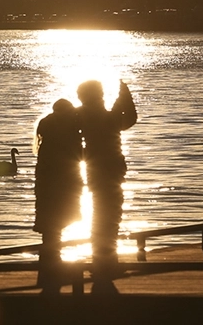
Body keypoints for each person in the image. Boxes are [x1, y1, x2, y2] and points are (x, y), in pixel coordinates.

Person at [77, 79, 137, 281]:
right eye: (100, 93)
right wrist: (124, 95)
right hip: (109, 172)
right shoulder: (100, 116)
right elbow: (128, 118)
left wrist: (122, 98)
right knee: (108, 218)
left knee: (103, 217)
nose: (103, 96)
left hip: (97, 172)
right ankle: (105, 264)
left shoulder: (82, 115)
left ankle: (102, 262)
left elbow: (123, 117)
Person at [33, 98, 84, 290]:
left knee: (51, 226)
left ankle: (49, 269)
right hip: (64, 183)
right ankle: (53, 269)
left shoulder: (47, 127)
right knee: (58, 223)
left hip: (46, 184)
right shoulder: (67, 129)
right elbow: (79, 155)